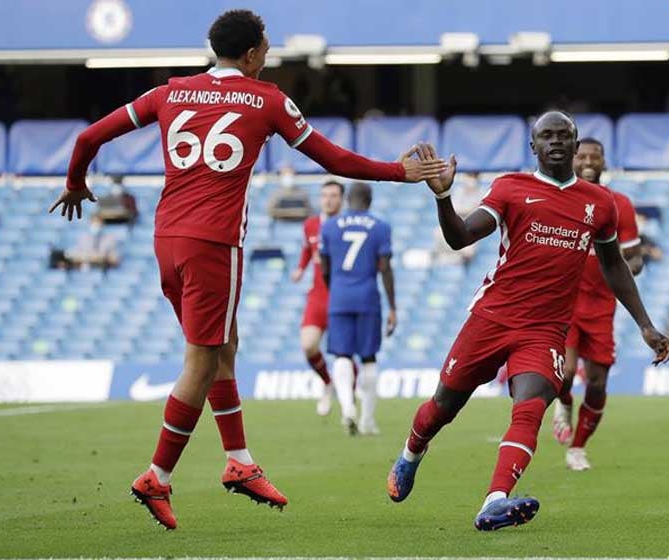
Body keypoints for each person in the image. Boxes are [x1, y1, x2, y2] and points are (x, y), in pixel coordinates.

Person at [48, 9, 446, 530]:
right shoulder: (266, 99)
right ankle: (157, 476)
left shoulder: (169, 93)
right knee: (201, 361)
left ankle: (239, 461)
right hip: (214, 242)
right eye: (267, 46)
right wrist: (400, 172)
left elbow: (87, 139)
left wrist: (77, 182)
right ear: (255, 52)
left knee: (223, 349)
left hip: (167, 239)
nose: (269, 54)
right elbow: (331, 159)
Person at [385, 113, 669, 531]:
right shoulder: (510, 188)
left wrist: (645, 324)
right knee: (443, 406)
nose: (555, 142)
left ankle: (494, 500)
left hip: (547, 329)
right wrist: (443, 197)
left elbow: (615, 266)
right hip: (492, 317)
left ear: (575, 146)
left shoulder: (600, 204)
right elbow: (461, 237)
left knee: (531, 408)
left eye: (563, 136)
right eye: (546, 136)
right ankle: (412, 452)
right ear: (532, 146)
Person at [550, 137, 643, 471]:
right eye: (583, 155)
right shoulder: (559, 200)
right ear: (572, 160)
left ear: (604, 161)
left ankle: (577, 449)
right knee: (562, 376)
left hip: (602, 306)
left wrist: (616, 267)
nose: (589, 161)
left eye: (595, 156)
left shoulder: (619, 204)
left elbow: (636, 260)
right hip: (565, 304)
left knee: (598, 383)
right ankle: (563, 402)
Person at [319, 182, 396, 435]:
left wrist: (336, 290)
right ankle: (367, 420)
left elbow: (325, 267)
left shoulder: (329, 226)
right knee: (369, 356)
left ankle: (347, 408)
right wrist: (393, 306)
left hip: (340, 296)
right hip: (367, 298)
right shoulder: (381, 227)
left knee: (341, 355)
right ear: (370, 200)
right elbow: (384, 267)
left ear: (347, 199)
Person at [292, 180, 344, 416]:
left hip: (342, 296)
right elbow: (307, 249)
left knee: (345, 352)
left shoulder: (346, 225)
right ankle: (327, 383)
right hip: (317, 297)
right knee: (308, 345)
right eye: (325, 195)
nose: (328, 199)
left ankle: (348, 403)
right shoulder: (311, 225)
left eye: (333, 195)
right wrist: (300, 268)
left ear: (341, 199)